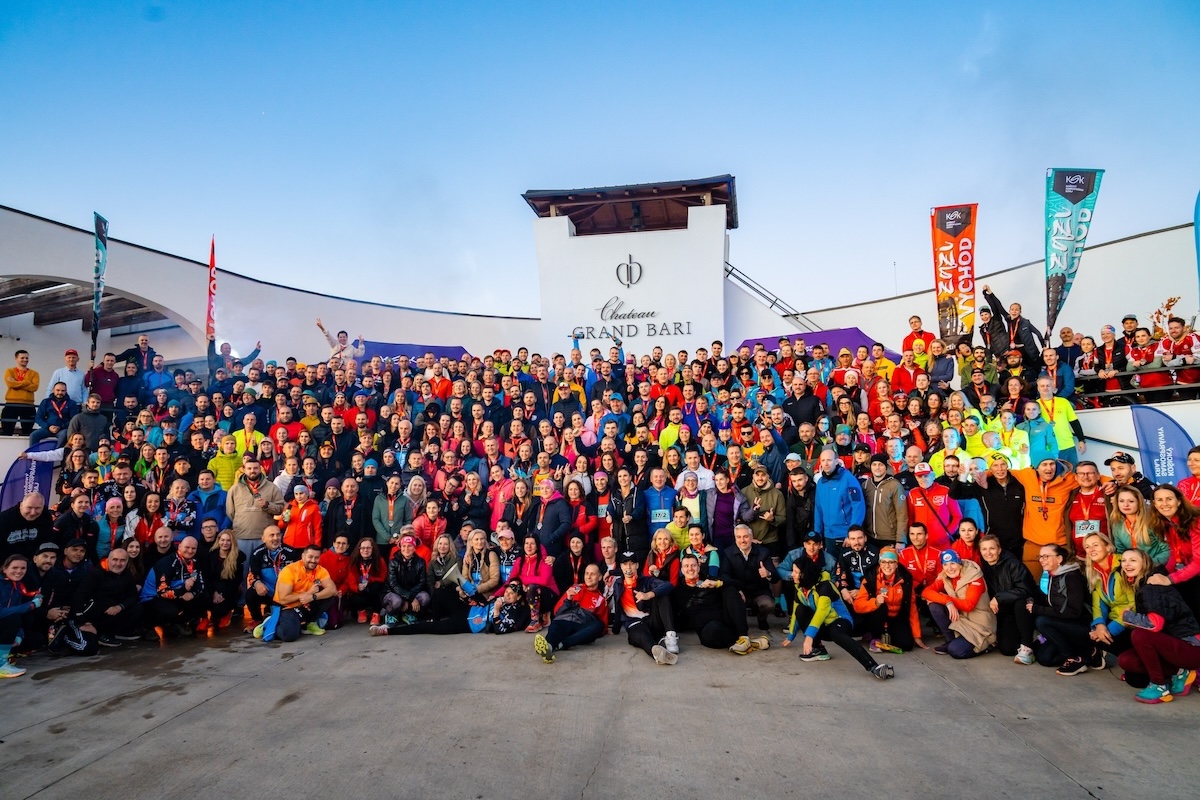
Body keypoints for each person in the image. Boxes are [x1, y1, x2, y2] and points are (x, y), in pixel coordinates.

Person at [782, 555, 894, 679]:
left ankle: (873, 666)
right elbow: (796, 612)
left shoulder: (825, 586)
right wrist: (791, 635)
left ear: (805, 574)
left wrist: (809, 636)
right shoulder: (800, 587)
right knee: (801, 610)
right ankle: (818, 649)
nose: (792, 574)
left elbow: (821, 612)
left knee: (837, 634)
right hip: (823, 626)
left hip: (840, 621)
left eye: (796, 572)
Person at [1115, 573, 1200, 704]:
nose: (1127, 564)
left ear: (1145, 564)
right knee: (1126, 660)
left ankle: (1159, 687)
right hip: (1173, 648)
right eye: (1124, 562)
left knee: (1140, 635)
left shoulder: (1151, 587)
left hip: (1191, 648)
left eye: (1133, 562)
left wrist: (1127, 616)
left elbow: (1154, 624)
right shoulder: (1142, 587)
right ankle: (1182, 672)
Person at [672, 552, 766, 655]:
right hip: (707, 628)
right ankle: (747, 642)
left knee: (730, 590)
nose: (690, 569)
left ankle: (743, 636)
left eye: (693, 565)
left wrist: (718, 583)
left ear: (698, 567)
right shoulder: (678, 591)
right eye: (686, 566)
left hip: (725, 620)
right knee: (714, 630)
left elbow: (738, 584)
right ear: (682, 570)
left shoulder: (709, 580)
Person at [1028, 543, 1099, 674]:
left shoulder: (1072, 577)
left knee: (1042, 621)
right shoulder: (1053, 575)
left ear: (1059, 559)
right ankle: (1088, 652)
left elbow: (1074, 612)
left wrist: (1038, 609)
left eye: (1046, 556)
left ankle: (1074, 658)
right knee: (1044, 658)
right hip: (1065, 625)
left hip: (1083, 627)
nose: (1042, 560)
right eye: (1040, 556)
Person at [922, 549, 997, 659]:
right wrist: (947, 601)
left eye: (953, 563)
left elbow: (968, 605)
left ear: (959, 563)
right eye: (945, 564)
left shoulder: (974, 577)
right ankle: (951, 640)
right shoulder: (945, 576)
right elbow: (926, 592)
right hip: (961, 620)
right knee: (935, 606)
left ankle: (987, 646)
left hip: (978, 625)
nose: (949, 568)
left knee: (956, 651)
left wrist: (947, 599)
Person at [255, 544, 338, 641]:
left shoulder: (320, 570)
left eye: (316, 558)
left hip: (306, 603)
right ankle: (270, 623)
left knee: (329, 595)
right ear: (303, 556)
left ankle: (309, 623)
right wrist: (306, 594)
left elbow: (333, 589)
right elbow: (283, 599)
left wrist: (313, 597)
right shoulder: (290, 570)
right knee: (289, 636)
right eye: (310, 557)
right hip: (287, 607)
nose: (313, 560)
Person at [611, 550, 679, 665]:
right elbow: (618, 607)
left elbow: (668, 585)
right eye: (625, 564)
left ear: (637, 565)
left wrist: (649, 594)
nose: (628, 567)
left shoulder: (647, 581)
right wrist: (615, 629)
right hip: (634, 625)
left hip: (651, 621)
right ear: (621, 566)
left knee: (662, 594)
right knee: (642, 636)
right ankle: (658, 653)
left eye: (632, 563)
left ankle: (671, 636)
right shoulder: (618, 584)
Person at [979, 534, 1038, 663]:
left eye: (992, 548)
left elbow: (1026, 590)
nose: (988, 552)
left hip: (1023, 608)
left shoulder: (1013, 563)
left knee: (1021, 602)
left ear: (999, 550)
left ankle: (1027, 646)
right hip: (1006, 612)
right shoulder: (984, 566)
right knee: (1007, 649)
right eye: (984, 549)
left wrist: (998, 598)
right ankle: (1037, 642)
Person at [533, 563, 609, 662]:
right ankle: (549, 647)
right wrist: (568, 600)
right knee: (556, 626)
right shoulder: (574, 588)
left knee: (599, 625)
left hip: (581, 627)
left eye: (592, 574)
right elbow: (557, 612)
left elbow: (603, 626)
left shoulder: (601, 599)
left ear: (600, 577)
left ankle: (560, 645)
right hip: (564, 620)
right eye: (586, 573)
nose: (588, 577)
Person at [852, 546, 919, 652]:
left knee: (907, 645)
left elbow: (912, 606)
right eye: (883, 562)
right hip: (876, 617)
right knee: (881, 606)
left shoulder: (905, 578)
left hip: (896, 616)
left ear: (897, 564)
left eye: (891, 562)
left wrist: (917, 635)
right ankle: (875, 636)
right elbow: (857, 606)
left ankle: (887, 634)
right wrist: (875, 602)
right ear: (879, 563)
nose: (887, 566)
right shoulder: (870, 578)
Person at [1083, 532, 1137, 661]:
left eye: (1095, 545)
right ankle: (1131, 661)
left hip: (1133, 622)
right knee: (1089, 634)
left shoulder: (1123, 565)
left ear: (1108, 547)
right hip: (1115, 618)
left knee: (1100, 637)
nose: (1091, 549)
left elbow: (1135, 605)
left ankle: (1136, 661)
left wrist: (1110, 630)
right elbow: (1098, 605)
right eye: (1087, 547)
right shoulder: (1095, 572)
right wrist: (1099, 625)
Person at [72, 547, 142, 646]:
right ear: (108, 560)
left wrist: (120, 606)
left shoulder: (127, 574)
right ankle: (100, 634)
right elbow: (80, 596)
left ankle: (119, 632)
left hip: (115, 608)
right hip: (94, 610)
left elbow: (133, 595)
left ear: (127, 562)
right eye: (115, 560)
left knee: (137, 608)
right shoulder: (95, 574)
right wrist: (80, 621)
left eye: (122, 560)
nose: (118, 563)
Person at [146, 535, 208, 637]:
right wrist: (183, 590)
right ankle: (147, 626)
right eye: (187, 547)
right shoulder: (167, 563)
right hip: (153, 598)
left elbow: (200, 584)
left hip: (177, 595)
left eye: (193, 548)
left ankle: (177, 624)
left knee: (203, 597)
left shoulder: (194, 563)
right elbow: (162, 592)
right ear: (179, 547)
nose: (190, 551)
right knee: (171, 611)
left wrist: (192, 594)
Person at [227, 458, 286, 559]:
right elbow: (230, 512)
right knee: (243, 566)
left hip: (264, 537)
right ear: (244, 470)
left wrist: (267, 505)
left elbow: (280, 508)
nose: (252, 471)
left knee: (262, 566)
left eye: (255, 468)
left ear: (260, 469)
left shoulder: (272, 487)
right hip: (242, 536)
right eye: (249, 468)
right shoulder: (235, 489)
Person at [721, 524, 776, 631]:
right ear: (735, 538)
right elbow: (724, 575)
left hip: (759, 592)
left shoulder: (763, 552)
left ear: (751, 537)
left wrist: (768, 574)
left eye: (745, 536)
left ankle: (762, 618)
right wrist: (736, 589)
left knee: (768, 604)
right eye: (739, 537)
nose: (742, 540)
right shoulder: (728, 553)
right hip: (739, 591)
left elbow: (775, 578)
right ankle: (739, 623)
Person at [812, 448, 865, 549]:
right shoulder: (820, 483)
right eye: (823, 460)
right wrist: (817, 535)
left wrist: (852, 535)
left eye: (829, 460)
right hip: (828, 535)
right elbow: (818, 510)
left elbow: (858, 506)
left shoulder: (849, 479)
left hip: (845, 535)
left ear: (836, 461)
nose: (826, 463)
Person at [246, 525, 298, 624]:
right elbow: (252, 574)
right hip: (267, 591)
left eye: (278, 535)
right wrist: (257, 583)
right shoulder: (257, 554)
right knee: (250, 594)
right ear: (263, 539)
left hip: (286, 593)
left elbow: (298, 573)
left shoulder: (291, 552)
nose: (276, 538)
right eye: (272, 535)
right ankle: (257, 620)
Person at [1, 555, 43, 678]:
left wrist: (19, 633)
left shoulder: (17, 585)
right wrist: (30, 605)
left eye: (23, 568)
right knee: (13, 619)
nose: (19, 571)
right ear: (5, 569)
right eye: (15, 568)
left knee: (36, 640)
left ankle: (7, 656)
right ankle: (1, 665)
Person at [861, 453, 907, 547]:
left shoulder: (894, 485)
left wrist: (901, 540)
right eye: (874, 464)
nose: (877, 467)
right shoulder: (865, 485)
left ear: (886, 467)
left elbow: (902, 514)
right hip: (869, 536)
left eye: (880, 465)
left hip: (889, 537)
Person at [3, 349, 39, 437]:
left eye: (27, 358)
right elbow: (10, 384)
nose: (25, 360)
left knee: (27, 431)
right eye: (22, 358)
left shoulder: (34, 373)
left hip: (28, 405)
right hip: (11, 404)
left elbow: (34, 387)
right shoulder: (9, 371)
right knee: (7, 430)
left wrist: (16, 383)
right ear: (16, 358)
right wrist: (27, 382)